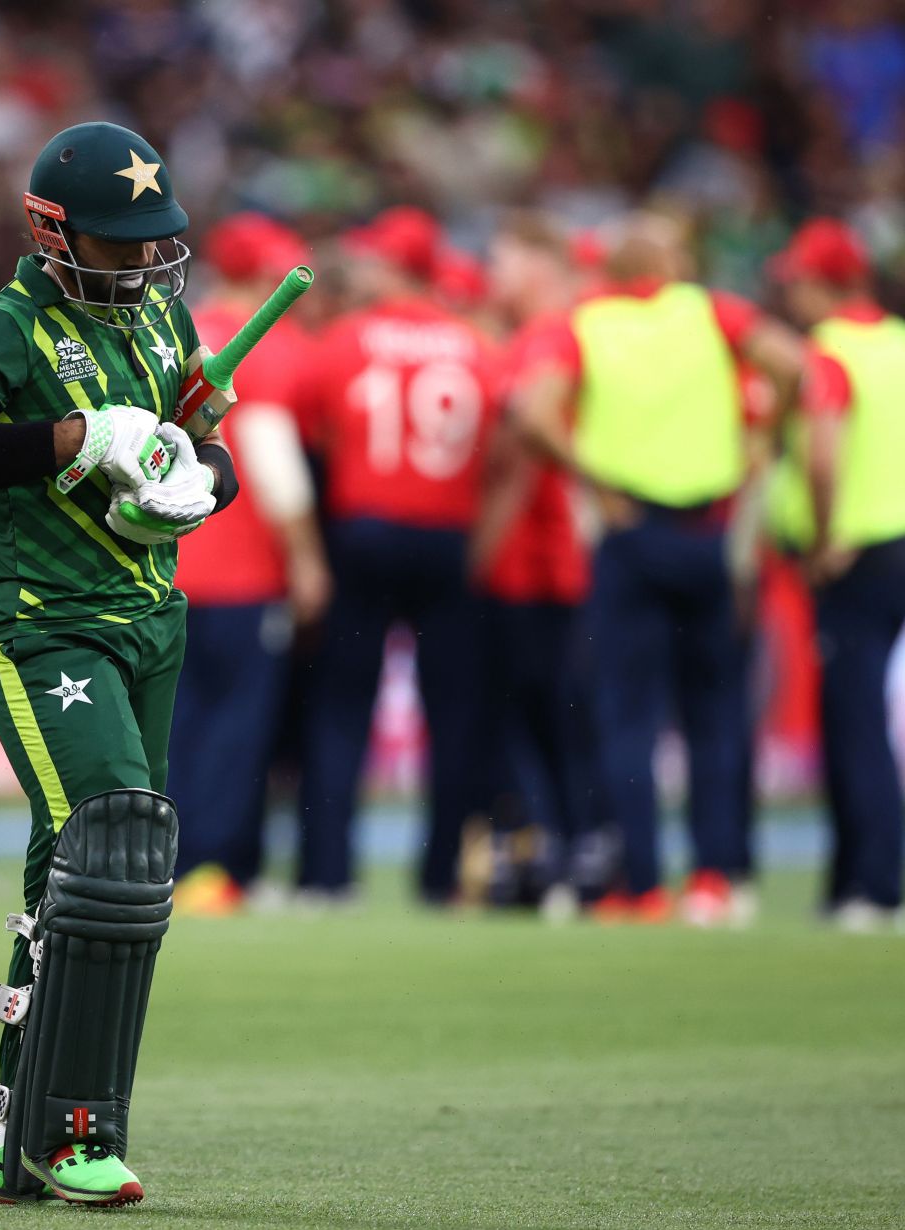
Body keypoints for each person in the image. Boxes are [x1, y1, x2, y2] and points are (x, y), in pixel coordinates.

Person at [0, 122, 239, 1206]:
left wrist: (199, 474)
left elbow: (203, 450)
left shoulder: (159, 311)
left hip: (152, 618)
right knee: (111, 838)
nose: (146, 259)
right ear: (55, 233)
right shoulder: (3, 327)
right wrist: (74, 437)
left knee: (89, 862)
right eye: (121, 240)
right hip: (45, 622)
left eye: (157, 238)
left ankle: (11, 1126)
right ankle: (71, 1130)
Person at [510, 213, 805, 923]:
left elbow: (531, 409)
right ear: (671, 266)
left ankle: (639, 885)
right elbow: (794, 365)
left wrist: (591, 476)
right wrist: (763, 439)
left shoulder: (582, 323)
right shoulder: (711, 311)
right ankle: (714, 878)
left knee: (627, 717)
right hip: (708, 530)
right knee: (714, 716)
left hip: (629, 530)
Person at [295, 206, 496, 906]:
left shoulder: (345, 338)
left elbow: (313, 437)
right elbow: (500, 445)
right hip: (449, 538)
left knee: (343, 705)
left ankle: (327, 872)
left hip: (367, 533)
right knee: (454, 714)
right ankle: (440, 875)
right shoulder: (475, 343)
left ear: (394, 266)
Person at [766, 218, 905, 933]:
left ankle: (876, 887)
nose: (792, 294)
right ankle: (850, 885)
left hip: (854, 554)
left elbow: (821, 455)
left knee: (857, 720)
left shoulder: (829, 354)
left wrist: (828, 535)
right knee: (855, 715)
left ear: (829, 284)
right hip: (903, 545)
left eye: (800, 282)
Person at [169, 213, 330, 916]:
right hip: (243, 571)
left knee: (174, 726)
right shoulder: (275, 341)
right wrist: (307, 559)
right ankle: (214, 867)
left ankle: (160, 862)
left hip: (169, 565)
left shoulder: (171, 331)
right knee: (237, 729)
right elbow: (274, 461)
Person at [470, 211, 610, 915]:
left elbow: (524, 448)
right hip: (546, 558)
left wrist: (485, 545)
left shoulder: (549, 337)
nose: (494, 276)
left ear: (538, 268)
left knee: (541, 712)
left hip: (542, 560)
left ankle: (562, 853)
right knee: (550, 711)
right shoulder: (536, 337)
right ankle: (565, 852)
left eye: (503, 261)